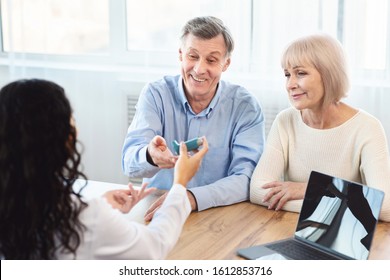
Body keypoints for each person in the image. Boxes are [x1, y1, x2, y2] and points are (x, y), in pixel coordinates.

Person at [0, 78, 208, 259]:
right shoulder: (84, 218)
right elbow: (154, 247)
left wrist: (101, 204)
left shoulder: (17, 202)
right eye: (71, 120)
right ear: (60, 138)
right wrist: (180, 184)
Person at [121, 16, 265, 221]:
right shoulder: (155, 94)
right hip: (158, 213)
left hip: (218, 216)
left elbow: (247, 178)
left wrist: (191, 197)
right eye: (193, 56)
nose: (199, 69)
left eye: (212, 60)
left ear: (226, 64)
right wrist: (149, 155)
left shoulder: (245, 107)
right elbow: (129, 161)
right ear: (181, 55)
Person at [249, 33, 390, 222]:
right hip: (291, 231)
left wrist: (309, 189)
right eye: (287, 74)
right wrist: (335, 206)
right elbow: (259, 191)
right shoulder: (285, 121)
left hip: (346, 243)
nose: (290, 84)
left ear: (329, 75)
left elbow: (385, 207)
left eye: (300, 73)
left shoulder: (367, 128)